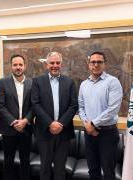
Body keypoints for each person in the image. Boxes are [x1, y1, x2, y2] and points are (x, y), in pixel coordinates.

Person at [31, 52, 78, 180]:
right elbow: (35, 104)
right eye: (52, 63)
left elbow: (74, 106)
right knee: (45, 168)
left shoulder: (69, 82)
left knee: (60, 169)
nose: (55, 65)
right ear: (47, 65)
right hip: (44, 131)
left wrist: (60, 124)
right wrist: (50, 123)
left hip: (64, 132)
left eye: (57, 63)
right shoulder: (37, 81)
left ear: (61, 64)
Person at [78, 51, 123, 180]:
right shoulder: (84, 85)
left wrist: (93, 124)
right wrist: (87, 125)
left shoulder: (112, 82)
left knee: (108, 173)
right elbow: (81, 108)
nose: (96, 64)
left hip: (107, 135)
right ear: (89, 64)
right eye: (93, 62)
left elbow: (112, 110)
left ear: (104, 64)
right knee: (93, 171)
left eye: (99, 62)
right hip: (89, 134)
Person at [0, 54, 33, 180]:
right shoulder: (2, 82)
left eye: (20, 65)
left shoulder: (32, 83)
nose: (18, 67)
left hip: (26, 128)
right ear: (11, 66)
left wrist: (25, 121)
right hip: (8, 129)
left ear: (25, 66)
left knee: (25, 160)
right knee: (8, 160)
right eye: (15, 65)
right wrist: (13, 122)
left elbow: (35, 106)